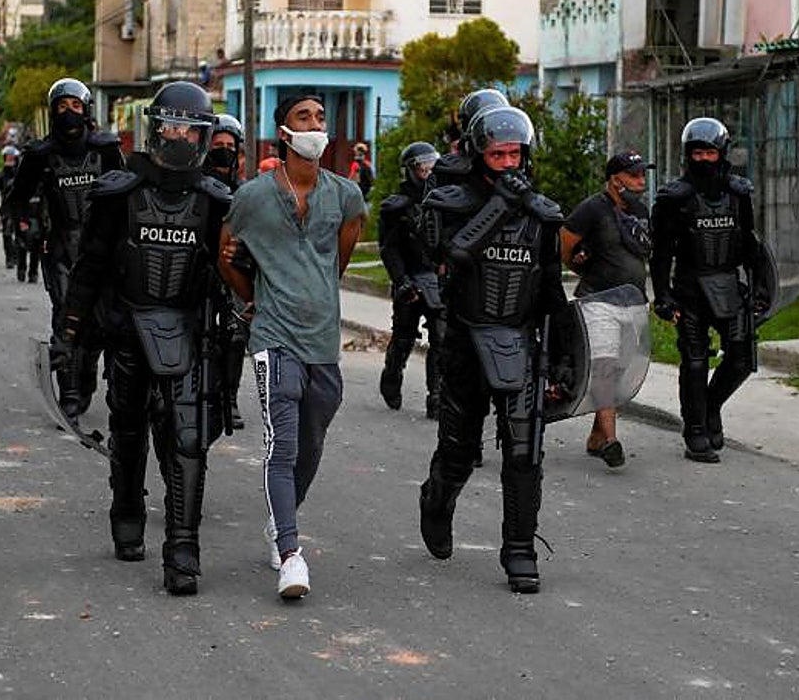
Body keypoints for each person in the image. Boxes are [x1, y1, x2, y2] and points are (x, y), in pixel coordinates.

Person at [62, 81, 233, 596]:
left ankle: (183, 547)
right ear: (156, 130)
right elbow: (90, 265)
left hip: (189, 330)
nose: (180, 136)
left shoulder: (216, 201)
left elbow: (235, 271)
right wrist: (72, 329)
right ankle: (127, 510)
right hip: (128, 328)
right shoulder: (120, 194)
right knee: (129, 428)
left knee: (187, 438)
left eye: (190, 128)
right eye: (172, 126)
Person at [218, 92, 366, 600]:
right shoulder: (253, 196)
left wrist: (315, 293)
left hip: (321, 337)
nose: (315, 125)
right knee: (281, 442)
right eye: (304, 117)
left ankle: (281, 519)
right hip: (273, 337)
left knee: (313, 439)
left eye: (321, 117)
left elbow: (339, 258)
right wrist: (252, 299)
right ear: (283, 131)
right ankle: (290, 553)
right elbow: (225, 254)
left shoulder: (346, 195)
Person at [415, 105, 568, 594]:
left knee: (524, 453)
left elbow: (551, 289)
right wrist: (500, 204)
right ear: (480, 155)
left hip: (521, 343)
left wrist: (564, 355)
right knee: (459, 453)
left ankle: (519, 550)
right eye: (498, 153)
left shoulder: (542, 214)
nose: (508, 163)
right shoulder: (449, 202)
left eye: (515, 153)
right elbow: (452, 254)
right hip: (464, 343)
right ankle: (436, 503)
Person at [650, 118, 763, 464]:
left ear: (722, 153)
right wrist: (663, 296)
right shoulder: (674, 199)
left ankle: (711, 406)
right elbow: (661, 253)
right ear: (687, 154)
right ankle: (695, 430)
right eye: (696, 152)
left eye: (709, 152)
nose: (702, 159)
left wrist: (759, 290)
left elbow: (750, 245)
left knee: (742, 358)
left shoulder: (739, 194)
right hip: (690, 288)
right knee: (695, 361)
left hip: (729, 284)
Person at [9, 78, 123, 417]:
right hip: (60, 246)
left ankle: (96, 379)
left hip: (103, 247)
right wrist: (26, 225)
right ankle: (70, 390)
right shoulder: (39, 156)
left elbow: (129, 193)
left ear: (86, 110)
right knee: (66, 317)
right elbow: (16, 199)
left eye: (75, 106)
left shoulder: (105, 149)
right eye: (62, 107)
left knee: (105, 321)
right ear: (52, 111)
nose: (69, 113)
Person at [559, 149, 655, 468]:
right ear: (616, 180)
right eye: (634, 175)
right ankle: (611, 442)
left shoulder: (640, 211)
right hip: (599, 300)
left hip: (632, 301)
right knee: (605, 367)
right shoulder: (592, 208)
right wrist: (579, 263)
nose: (641, 181)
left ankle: (597, 435)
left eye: (643, 175)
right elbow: (565, 243)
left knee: (625, 371)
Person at [378, 141, 445, 415]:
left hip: (437, 281)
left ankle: (437, 396)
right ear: (410, 170)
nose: (428, 171)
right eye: (422, 166)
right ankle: (392, 377)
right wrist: (402, 280)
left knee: (441, 338)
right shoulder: (397, 206)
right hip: (410, 278)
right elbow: (389, 248)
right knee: (404, 337)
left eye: (432, 164)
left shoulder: (445, 201)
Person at [203, 114, 248, 430]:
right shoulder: (194, 187)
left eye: (229, 146)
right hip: (198, 272)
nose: (223, 151)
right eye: (217, 145)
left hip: (233, 273)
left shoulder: (247, 194)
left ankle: (228, 398)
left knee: (234, 336)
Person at [0, 145, 23, 275]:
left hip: (21, 208)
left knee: (21, 235)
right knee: (7, 233)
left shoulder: (23, 174)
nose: (10, 160)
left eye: (12, 158)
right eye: (7, 158)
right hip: (7, 209)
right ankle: (10, 258)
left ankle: (20, 256)